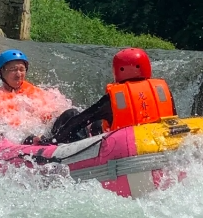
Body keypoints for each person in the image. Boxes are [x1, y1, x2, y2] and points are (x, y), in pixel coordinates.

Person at [38, 48, 178, 145]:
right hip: (159, 141)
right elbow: (173, 119)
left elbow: (81, 120)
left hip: (124, 147)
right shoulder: (161, 90)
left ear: (118, 70)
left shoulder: (115, 98)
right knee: (98, 124)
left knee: (71, 114)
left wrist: (52, 141)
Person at [0, 49, 71, 132]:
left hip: (44, 134)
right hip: (17, 140)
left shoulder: (34, 91)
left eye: (22, 69)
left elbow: (53, 114)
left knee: (70, 114)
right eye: (13, 69)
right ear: (0, 72)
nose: (18, 74)